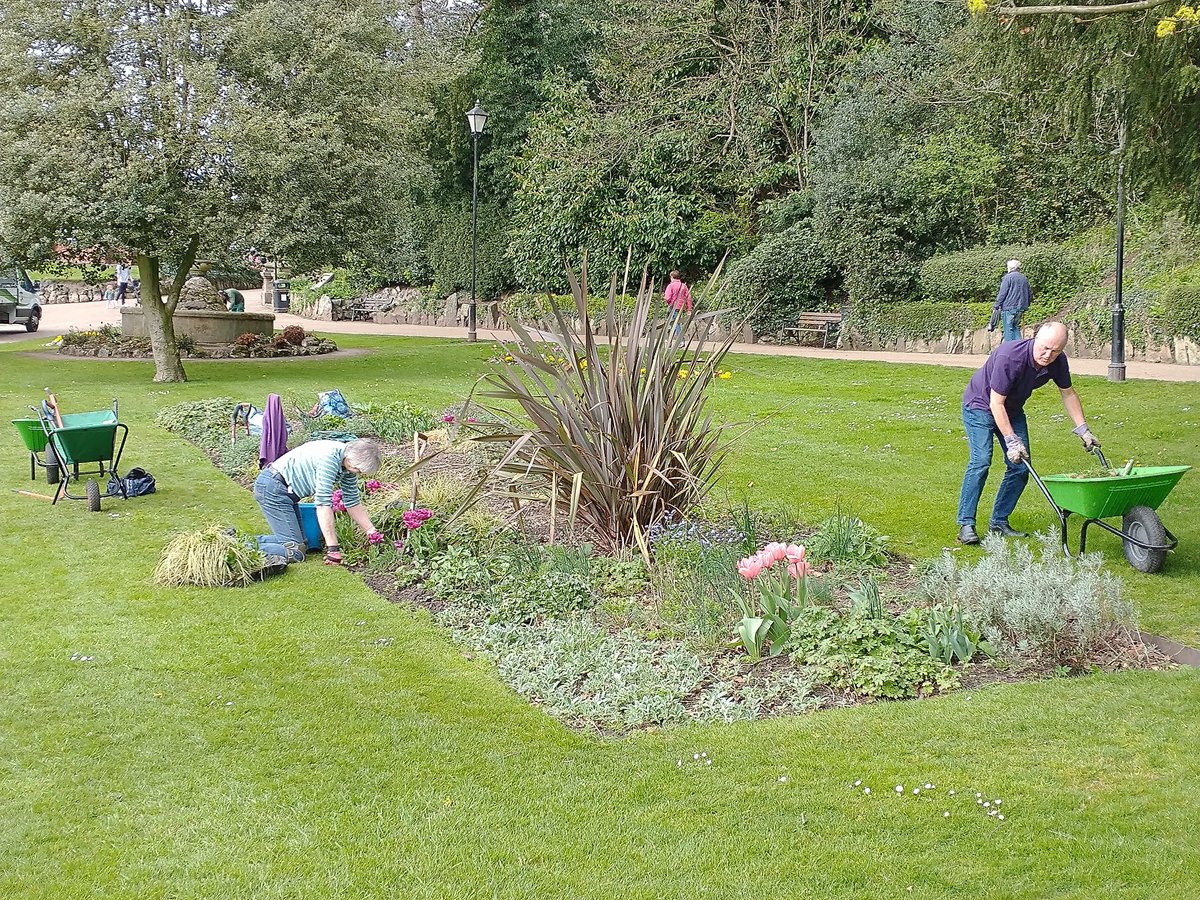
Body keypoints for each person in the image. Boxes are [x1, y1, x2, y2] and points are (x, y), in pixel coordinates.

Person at [956, 321, 1100, 545]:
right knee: (981, 461)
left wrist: (1083, 430)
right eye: (1044, 348)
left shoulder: (1057, 361)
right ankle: (966, 524)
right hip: (980, 405)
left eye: (1055, 351)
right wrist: (1012, 440)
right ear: (1034, 338)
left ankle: (998, 522)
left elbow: (1068, 394)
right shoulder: (1010, 357)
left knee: (1020, 467)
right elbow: (996, 403)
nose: (1048, 355)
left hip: (1012, 409)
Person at [252, 438, 383, 566]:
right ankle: (241, 547)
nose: (357, 473)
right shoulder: (329, 459)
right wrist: (333, 549)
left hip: (283, 491)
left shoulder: (346, 462)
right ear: (350, 458)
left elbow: (352, 501)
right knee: (295, 552)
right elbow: (323, 504)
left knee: (301, 544)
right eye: (357, 469)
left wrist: (371, 530)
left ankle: (246, 542)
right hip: (273, 489)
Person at [988, 259, 1031, 343]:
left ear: (1009, 268)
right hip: (1021, 308)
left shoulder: (1008, 277)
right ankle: (1020, 348)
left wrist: (996, 305)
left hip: (1008, 307)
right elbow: (1029, 293)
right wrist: (1026, 305)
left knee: (1008, 330)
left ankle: (1009, 350)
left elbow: (1002, 293)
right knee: (1015, 327)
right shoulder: (1024, 278)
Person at [664, 270, 692, 336]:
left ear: (672, 277)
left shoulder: (670, 286)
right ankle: (669, 339)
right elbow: (688, 298)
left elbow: (667, 298)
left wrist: (668, 302)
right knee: (675, 322)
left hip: (673, 307)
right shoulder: (684, 286)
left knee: (675, 323)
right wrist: (689, 309)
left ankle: (680, 341)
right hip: (681, 307)